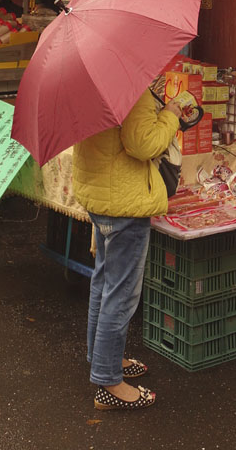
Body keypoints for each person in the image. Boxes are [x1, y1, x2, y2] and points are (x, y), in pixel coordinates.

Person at [72, 89, 183, 411]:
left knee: (104, 283)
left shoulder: (90, 87)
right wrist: (171, 114)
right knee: (120, 295)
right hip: (125, 203)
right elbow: (143, 144)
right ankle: (107, 382)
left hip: (102, 197)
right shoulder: (130, 90)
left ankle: (102, 357)